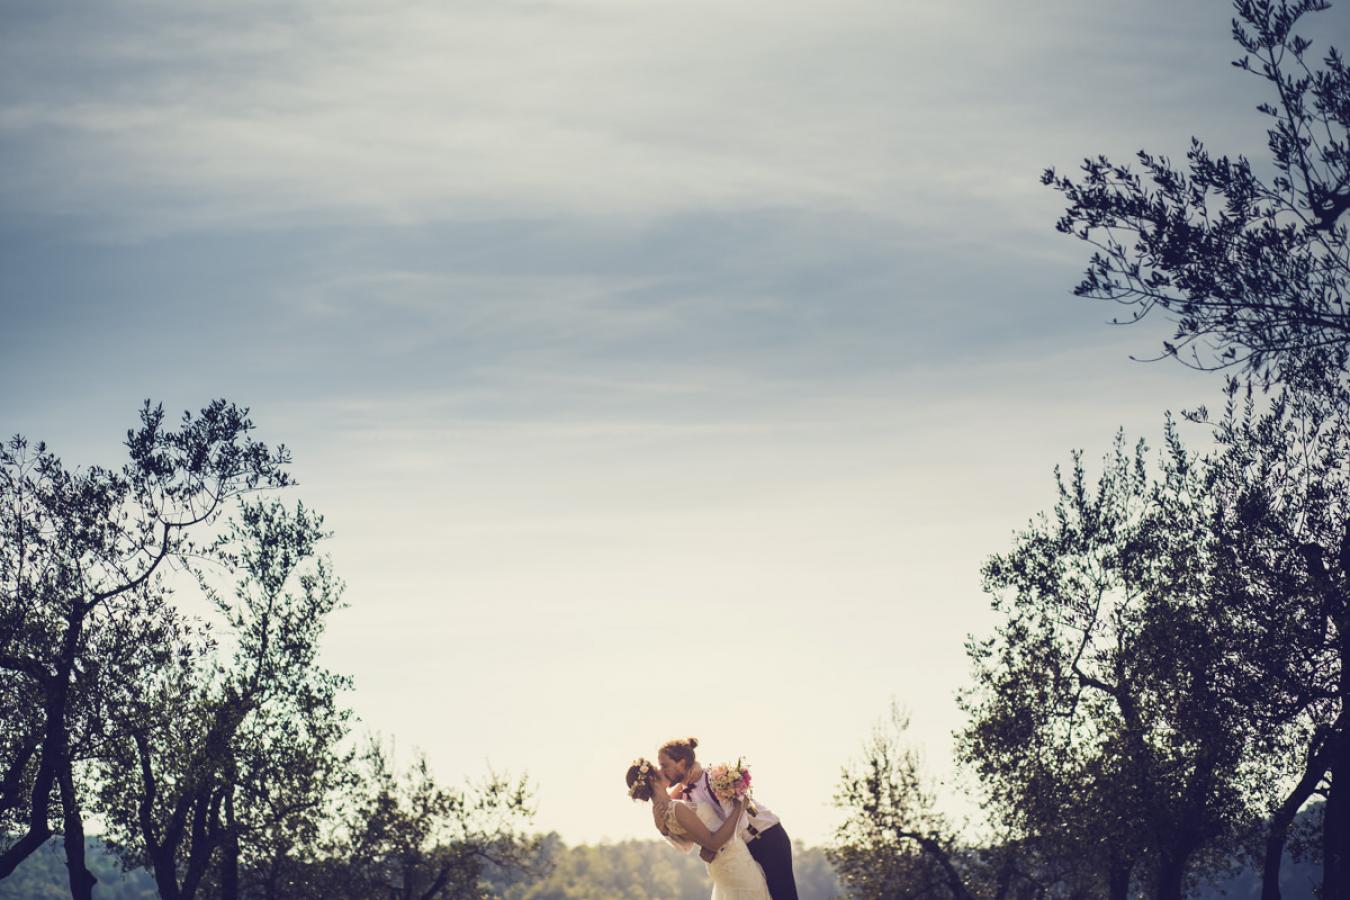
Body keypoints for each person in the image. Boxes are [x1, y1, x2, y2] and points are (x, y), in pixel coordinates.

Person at [659, 737, 799, 900]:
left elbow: (740, 821)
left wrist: (712, 847)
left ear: (682, 762)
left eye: (665, 765)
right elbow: (694, 834)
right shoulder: (687, 796)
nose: (662, 771)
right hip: (742, 848)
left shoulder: (715, 777)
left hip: (767, 837)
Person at [626, 757, 770, 900]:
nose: (664, 771)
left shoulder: (663, 815)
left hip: (725, 862)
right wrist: (739, 807)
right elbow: (713, 843)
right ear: (652, 778)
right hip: (733, 862)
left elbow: (689, 843)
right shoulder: (675, 809)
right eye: (659, 769)